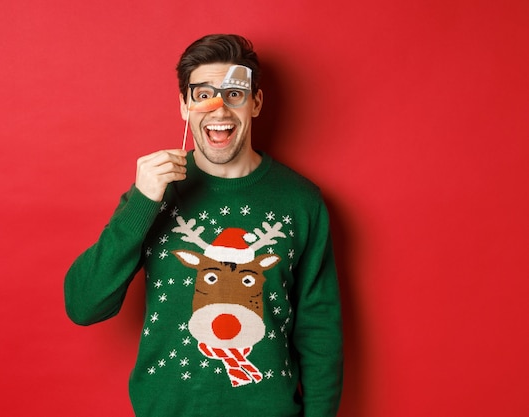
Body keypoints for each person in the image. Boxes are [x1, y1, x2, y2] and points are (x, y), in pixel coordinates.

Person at [64, 34, 343, 417]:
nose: (220, 110)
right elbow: (83, 305)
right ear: (184, 106)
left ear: (255, 103)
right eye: (203, 94)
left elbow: (319, 330)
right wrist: (143, 203)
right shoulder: (154, 193)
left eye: (234, 94)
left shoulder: (300, 201)